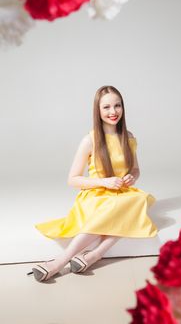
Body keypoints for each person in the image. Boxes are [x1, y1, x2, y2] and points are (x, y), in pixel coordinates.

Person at [28, 85, 158, 282]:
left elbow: (136, 170)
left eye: (117, 106)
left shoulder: (129, 138)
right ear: (97, 110)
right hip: (96, 194)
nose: (113, 112)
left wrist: (132, 176)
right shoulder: (90, 140)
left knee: (138, 199)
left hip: (121, 193)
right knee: (124, 209)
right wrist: (105, 182)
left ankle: (96, 254)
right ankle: (60, 261)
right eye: (106, 107)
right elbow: (72, 179)